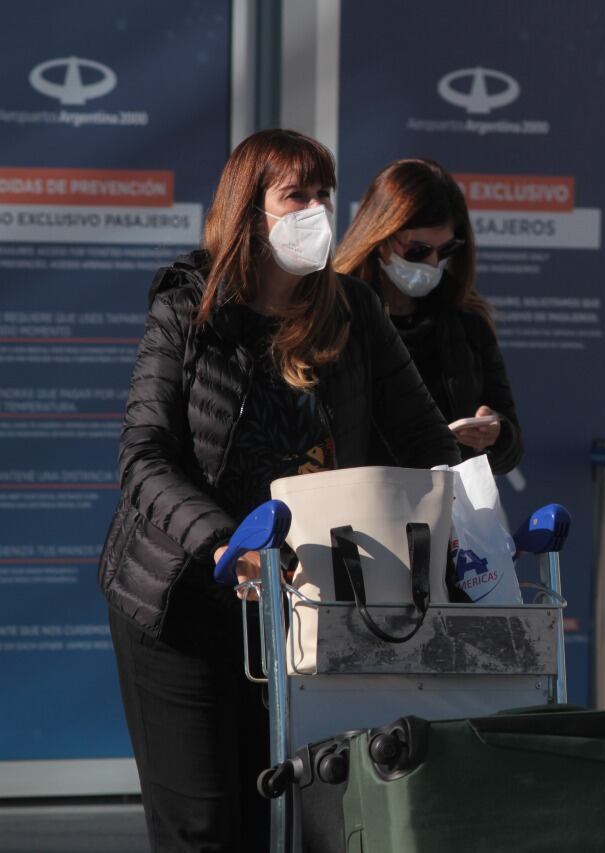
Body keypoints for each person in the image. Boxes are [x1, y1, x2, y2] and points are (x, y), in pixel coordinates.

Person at [99, 129, 460, 852]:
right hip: (182, 606)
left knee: (295, 821)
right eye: (297, 194)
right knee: (207, 827)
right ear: (249, 210)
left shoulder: (354, 312)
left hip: (307, 613)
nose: (317, 211)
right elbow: (143, 456)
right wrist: (224, 543)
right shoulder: (189, 308)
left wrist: (472, 524)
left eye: (325, 194)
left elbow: (428, 447)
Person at [334, 158, 522, 474]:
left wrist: (496, 435)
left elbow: (512, 450)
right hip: (360, 507)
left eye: (445, 250)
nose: (432, 263)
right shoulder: (337, 314)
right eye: (418, 251)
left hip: (447, 508)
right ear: (380, 239)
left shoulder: (467, 318)